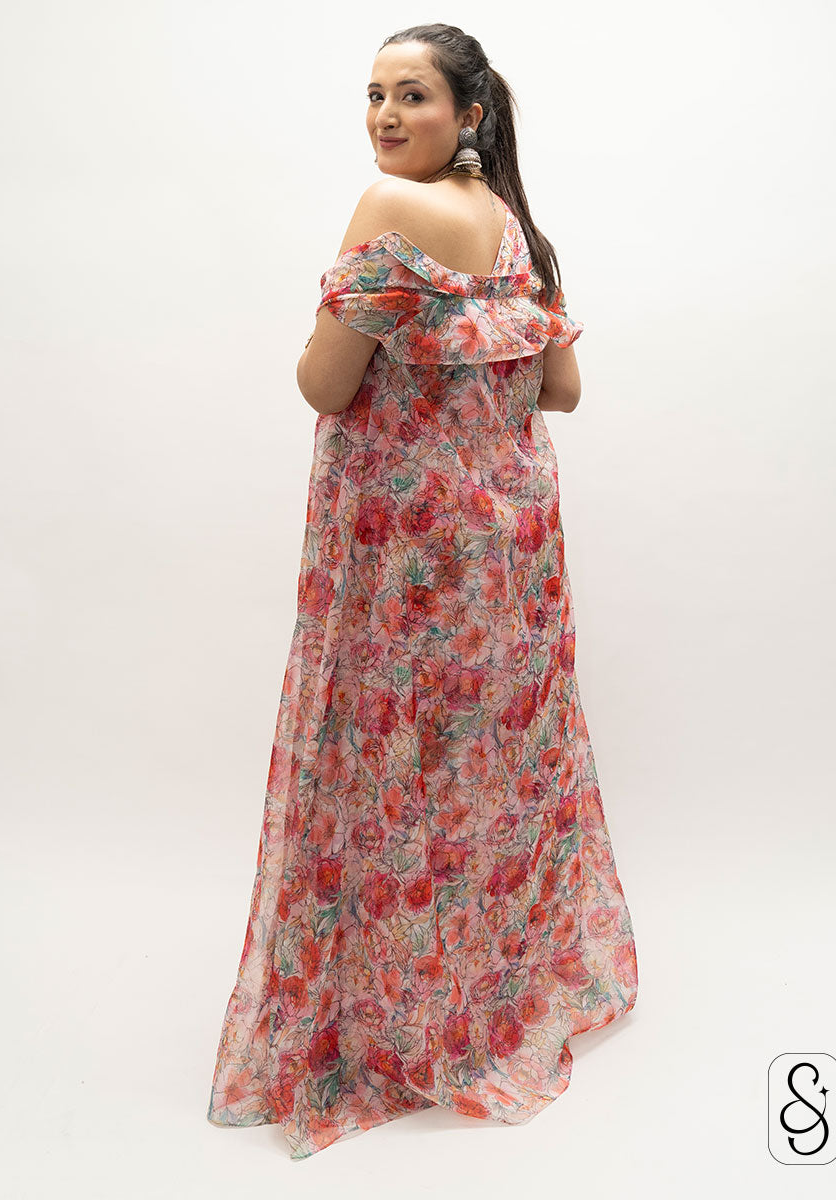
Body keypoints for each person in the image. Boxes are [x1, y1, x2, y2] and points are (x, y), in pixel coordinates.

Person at [206, 23, 639, 1162]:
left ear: (469, 114)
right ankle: (485, 992)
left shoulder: (386, 212)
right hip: (510, 546)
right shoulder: (520, 232)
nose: (386, 118)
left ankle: (398, 1017)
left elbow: (323, 380)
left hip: (408, 552)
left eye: (413, 97)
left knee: (390, 768)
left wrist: (337, 332)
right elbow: (567, 390)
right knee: (492, 764)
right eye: (374, 96)